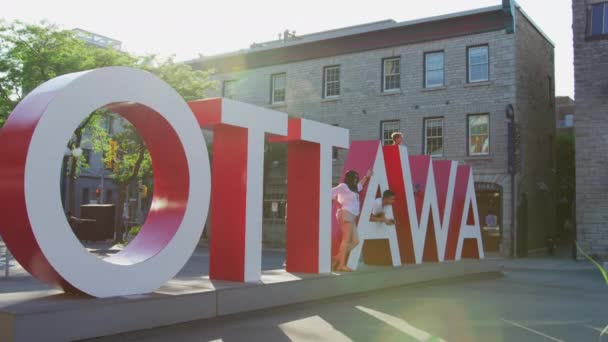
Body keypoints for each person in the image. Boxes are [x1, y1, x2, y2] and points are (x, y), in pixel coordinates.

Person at [332, 169, 372, 272]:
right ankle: (341, 265)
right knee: (346, 240)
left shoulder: (354, 188)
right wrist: (337, 202)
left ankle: (337, 258)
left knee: (356, 241)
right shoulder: (343, 186)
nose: (356, 180)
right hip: (346, 213)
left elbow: (360, 185)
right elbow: (331, 192)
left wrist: (366, 177)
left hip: (352, 215)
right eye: (354, 178)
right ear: (349, 178)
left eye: (357, 178)